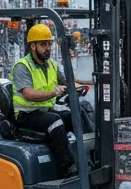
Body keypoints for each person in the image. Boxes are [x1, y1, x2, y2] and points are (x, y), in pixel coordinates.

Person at [10, 24, 91, 177]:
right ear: (33, 46)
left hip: (45, 112)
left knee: (76, 114)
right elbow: (28, 94)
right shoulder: (22, 66)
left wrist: (90, 83)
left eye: (49, 44)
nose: (47, 48)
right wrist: (52, 93)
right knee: (55, 121)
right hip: (26, 116)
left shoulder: (52, 65)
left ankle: (91, 156)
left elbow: (68, 81)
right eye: (43, 44)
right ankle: (68, 168)